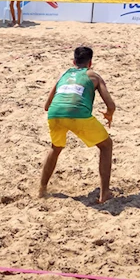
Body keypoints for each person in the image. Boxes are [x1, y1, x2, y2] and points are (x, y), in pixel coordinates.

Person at [39, 46, 116, 204]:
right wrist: (109, 114)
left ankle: (42, 189)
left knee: (55, 147)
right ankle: (104, 194)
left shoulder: (64, 74)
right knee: (106, 146)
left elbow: (46, 106)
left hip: (55, 114)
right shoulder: (94, 76)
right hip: (78, 114)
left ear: (74, 61)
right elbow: (111, 104)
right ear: (90, 63)